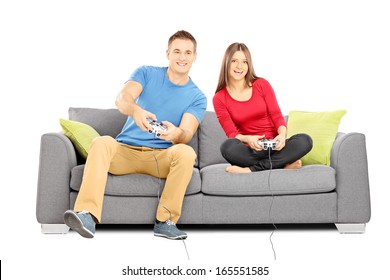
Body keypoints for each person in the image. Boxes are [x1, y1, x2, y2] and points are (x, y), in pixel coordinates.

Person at [63, 30, 207, 240]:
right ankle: (86, 215)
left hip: (160, 158)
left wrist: (176, 133)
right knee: (101, 142)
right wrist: (135, 110)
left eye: (187, 52)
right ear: (168, 53)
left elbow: (186, 133)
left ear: (195, 57)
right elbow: (122, 98)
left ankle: (166, 222)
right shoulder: (146, 73)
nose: (182, 57)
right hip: (125, 152)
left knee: (185, 152)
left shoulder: (198, 97)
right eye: (177, 51)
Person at [213, 42, 312, 173]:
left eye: (244, 61)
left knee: (305, 140)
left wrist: (282, 135)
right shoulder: (219, 98)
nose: (239, 66)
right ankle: (281, 165)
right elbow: (232, 134)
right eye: (234, 61)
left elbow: (277, 116)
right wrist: (248, 139)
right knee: (227, 147)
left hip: (276, 147)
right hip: (252, 150)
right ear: (226, 63)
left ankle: (252, 170)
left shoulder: (261, 84)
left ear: (249, 65)